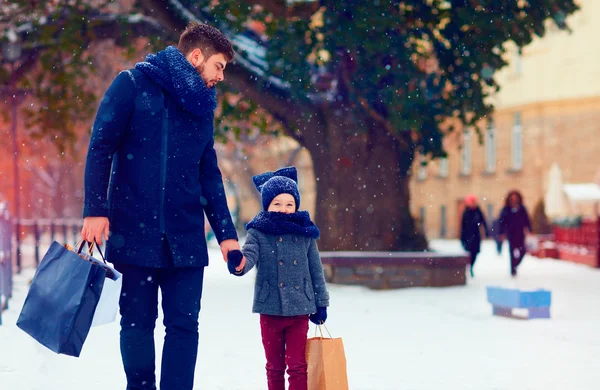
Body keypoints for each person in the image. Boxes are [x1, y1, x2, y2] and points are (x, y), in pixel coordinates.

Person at [81, 22, 245, 390]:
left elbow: (209, 174)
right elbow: (101, 146)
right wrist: (95, 209)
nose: (220, 76)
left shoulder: (203, 107)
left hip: (186, 238)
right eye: (219, 66)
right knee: (137, 323)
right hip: (132, 232)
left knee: (184, 326)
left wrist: (227, 237)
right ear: (197, 56)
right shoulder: (132, 84)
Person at [227, 166, 329, 390]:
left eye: (289, 204)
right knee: (274, 366)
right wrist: (238, 263)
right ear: (267, 205)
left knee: (297, 365)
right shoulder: (258, 231)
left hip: (300, 309)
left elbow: (316, 270)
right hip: (270, 308)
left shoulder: (305, 233)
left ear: (296, 205)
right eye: (277, 204)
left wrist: (321, 303)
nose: (284, 209)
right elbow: (249, 257)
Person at [498, 190, 532, 277]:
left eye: (515, 198)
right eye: (512, 198)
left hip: (520, 233)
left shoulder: (522, 208)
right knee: (512, 252)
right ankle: (512, 269)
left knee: (522, 251)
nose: (514, 199)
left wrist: (530, 229)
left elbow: (527, 220)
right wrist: (501, 232)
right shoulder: (506, 209)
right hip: (511, 234)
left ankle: (515, 264)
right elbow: (502, 221)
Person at [460, 194, 489, 278]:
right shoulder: (466, 213)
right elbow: (463, 227)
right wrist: (462, 239)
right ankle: (468, 267)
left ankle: (471, 266)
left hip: (476, 236)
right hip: (468, 236)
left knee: (475, 253)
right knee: (468, 253)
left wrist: (487, 232)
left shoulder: (478, 211)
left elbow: (483, 222)